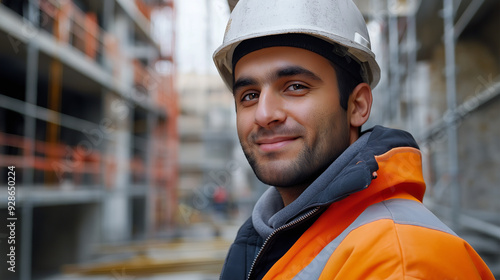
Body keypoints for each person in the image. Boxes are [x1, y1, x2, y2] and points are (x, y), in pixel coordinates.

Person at [212, 0, 495, 279]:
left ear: (358, 105)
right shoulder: (266, 236)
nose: (264, 114)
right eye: (249, 95)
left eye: (295, 87)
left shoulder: (401, 261)